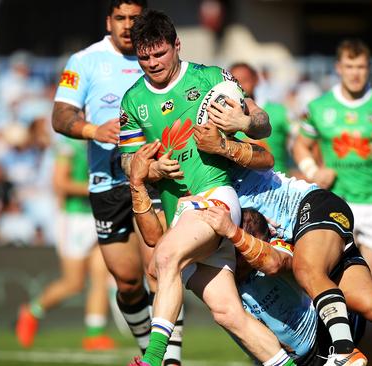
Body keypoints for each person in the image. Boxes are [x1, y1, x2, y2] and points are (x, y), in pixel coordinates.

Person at [125, 148, 372, 366]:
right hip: (311, 346)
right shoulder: (214, 265)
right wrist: (138, 183)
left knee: (326, 280)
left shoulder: (280, 249)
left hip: (321, 271)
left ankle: (345, 351)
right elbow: (159, 251)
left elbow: (274, 261)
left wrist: (232, 229)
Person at [118, 9, 298, 366]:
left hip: (215, 199)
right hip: (178, 214)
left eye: (159, 53)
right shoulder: (132, 101)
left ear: (177, 45)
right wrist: (149, 167)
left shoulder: (211, 79)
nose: (152, 63)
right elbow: (129, 160)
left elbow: (261, 124)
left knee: (164, 259)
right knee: (229, 314)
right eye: (144, 56)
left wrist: (245, 119)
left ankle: (152, 359)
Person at [49, 1, 183, 364]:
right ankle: (146, 347)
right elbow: (60, 116)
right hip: (106, 182)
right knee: (126, 281)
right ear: (108, 21)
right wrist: (95, 130)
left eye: (134, 19)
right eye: (120, 19)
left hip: (153, 182)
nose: (127, 26)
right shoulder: (84, 61)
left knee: (160, 269)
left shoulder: (158, 58)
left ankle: (167, 360)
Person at [293, 39, 372, 280]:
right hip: (336, 203)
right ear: (338, 67)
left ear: (368, 68)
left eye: (360, 67)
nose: (355, 73)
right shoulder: (319, 107)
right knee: (330, 280)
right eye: (349, 66)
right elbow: (301, 145)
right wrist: (314, 171)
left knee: (366, 289)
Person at [16, 137, 114, 350]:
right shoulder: (68, 144)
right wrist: (99, 187)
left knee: (101, 274)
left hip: (100, 214)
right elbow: (60, 183)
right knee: (73, 283)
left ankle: (94, 334)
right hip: (74, 218)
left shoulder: (106, 140)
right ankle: (32, 311)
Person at [229, 62, 294, 175]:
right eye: (234, 82)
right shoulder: (223, 115)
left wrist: (309, 170)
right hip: (240, 185)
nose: (239, 86)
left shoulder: (280, 111)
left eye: (244, 80)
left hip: (277, 184)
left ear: (256, 80)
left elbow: (301, 142)